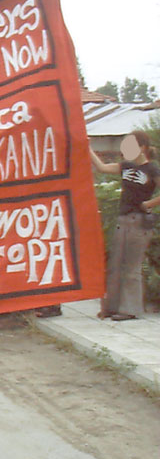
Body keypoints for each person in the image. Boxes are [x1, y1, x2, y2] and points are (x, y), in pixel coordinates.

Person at [90, 131, 160, 321]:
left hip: (139, 221)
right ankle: (110, 307)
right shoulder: (126, 166)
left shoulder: (152, 169)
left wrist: (149, 203)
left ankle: (130, 309)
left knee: (131, 266)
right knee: (115, 265)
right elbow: (102, 168)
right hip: (123, 219)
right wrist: (87, 148)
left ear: (142, 147)